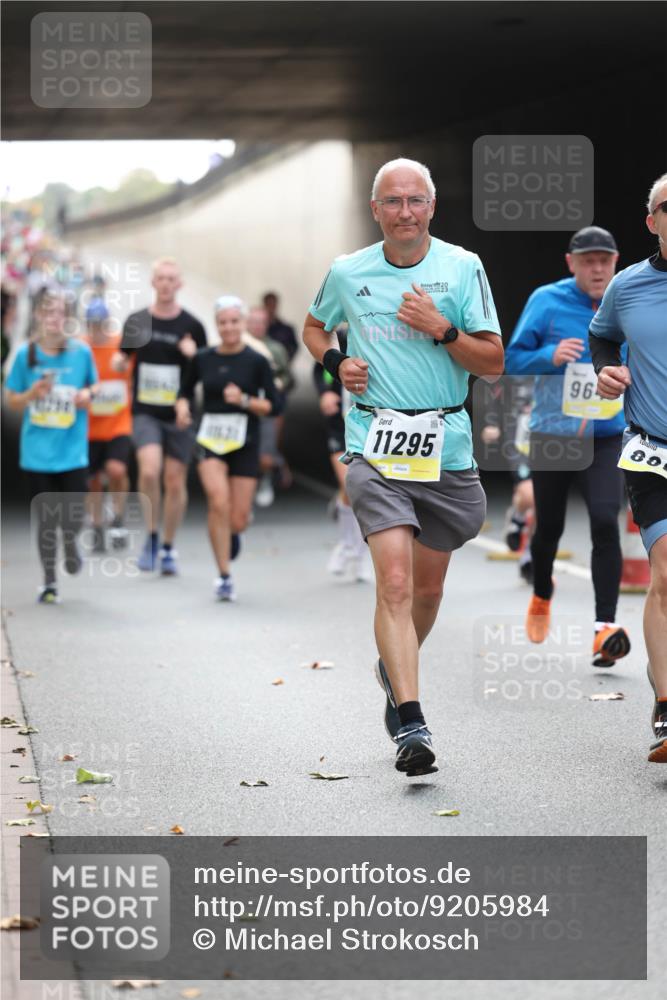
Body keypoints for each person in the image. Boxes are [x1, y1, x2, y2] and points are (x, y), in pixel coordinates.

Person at [303, 157, 503, 776]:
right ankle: (410, 722)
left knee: (427, 588)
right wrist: (337, 364)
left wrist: (441, 330)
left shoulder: (463, 267)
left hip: (446, 442)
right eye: (393, 201)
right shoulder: (347, 272)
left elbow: (492, 362)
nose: (405, 212)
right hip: (375, 442)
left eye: (416, 200)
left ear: (432, 208)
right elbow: (314, 328)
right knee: (392, 582)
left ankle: (393, 668)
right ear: (376, 210)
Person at [505, 226, 630, 666]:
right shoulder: (546, 300)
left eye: (604, 260)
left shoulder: (626, 297)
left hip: (606, 434)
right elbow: (510, 359)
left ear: (615, 261)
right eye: (588, 260)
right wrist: (550, 355)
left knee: (603, 520)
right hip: (553, 434)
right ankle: (541, 592)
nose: (597, 268)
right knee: (550, 530)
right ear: (571, 263)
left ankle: (604, 629)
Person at [590, 173, 667, 763]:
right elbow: (602, 338)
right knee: (665, 573)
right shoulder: (629, 286)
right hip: (654, 451)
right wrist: (607, 369)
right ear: (652, 221)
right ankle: (666, 709)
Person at [176, 296, 281, 600]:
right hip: (210, 439)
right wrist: (182, 409)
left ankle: (234, 532)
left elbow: (275, 405)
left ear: (244, 323)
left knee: (236, 518)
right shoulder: (203, 358)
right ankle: (224, 575)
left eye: (235, 321)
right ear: (217, 325)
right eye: (223, 322)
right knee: (217, 501)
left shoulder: (257, 361)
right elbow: (183, 392)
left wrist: (245, 401)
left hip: (245, 442)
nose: (229, 327)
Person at [4, 288, 97, 603]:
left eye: (61, 313)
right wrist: (32, 394)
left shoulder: (81, 353)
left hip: (72, 452)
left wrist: (87, 396)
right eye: (49, 312)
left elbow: (93, 387)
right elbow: (12, 401)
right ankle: (49, 581)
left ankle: (70, 541)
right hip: (37, 453)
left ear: (67, 318)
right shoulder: (24, 356)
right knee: (46, 519)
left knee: (71, 515)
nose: (55, 319)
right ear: (39, 316)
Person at [121, 258, 207, 574]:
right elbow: (123, 357)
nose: (166, 283)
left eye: (172, 278)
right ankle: (152, 536)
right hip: (145, 411)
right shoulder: (137, 321)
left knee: (174, 480)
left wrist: (192, 355)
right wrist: (119, 365)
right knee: (148, 470)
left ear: (179, 284)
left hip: (179, 413)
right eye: (161, 278)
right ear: (153, 282)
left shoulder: (193, 327)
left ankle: (168, 546)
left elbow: (203, 371)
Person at [313, 326, 373, 582]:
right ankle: (348, 546)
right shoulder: (341, 336)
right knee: (351, 485)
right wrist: (326, 392)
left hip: (372, 423)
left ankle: (358, 555)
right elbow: (321, 368)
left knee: (362, 492)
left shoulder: (380, 332)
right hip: (341, 424)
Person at [84, 298, 134, 552]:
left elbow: (134, 373)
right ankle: (96, 523)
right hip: (90, 426)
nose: (96, 329)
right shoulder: (81, 349)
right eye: (92, 324)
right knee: (92, 479)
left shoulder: (119, 346)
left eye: (100, 324)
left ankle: (117, 515)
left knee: (115, 470)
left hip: (118, 422)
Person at [244, 305, 293, 507]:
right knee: (243, 450)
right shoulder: (239, 345)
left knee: (265, 454)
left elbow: (286, 376)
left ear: (266, 325)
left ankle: (265, 477)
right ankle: (244, 491)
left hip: (267, 407)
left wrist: (279, 385)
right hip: (242, 406)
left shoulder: (276, 349)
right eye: (253, 322)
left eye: (260, 322)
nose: (256, 326)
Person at [263, 291, 299, 360]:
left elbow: (293, 348)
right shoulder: (260, 328)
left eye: (273, 305)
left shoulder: (287, 330)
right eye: (269, 304)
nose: (271, 308)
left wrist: (285, 359)